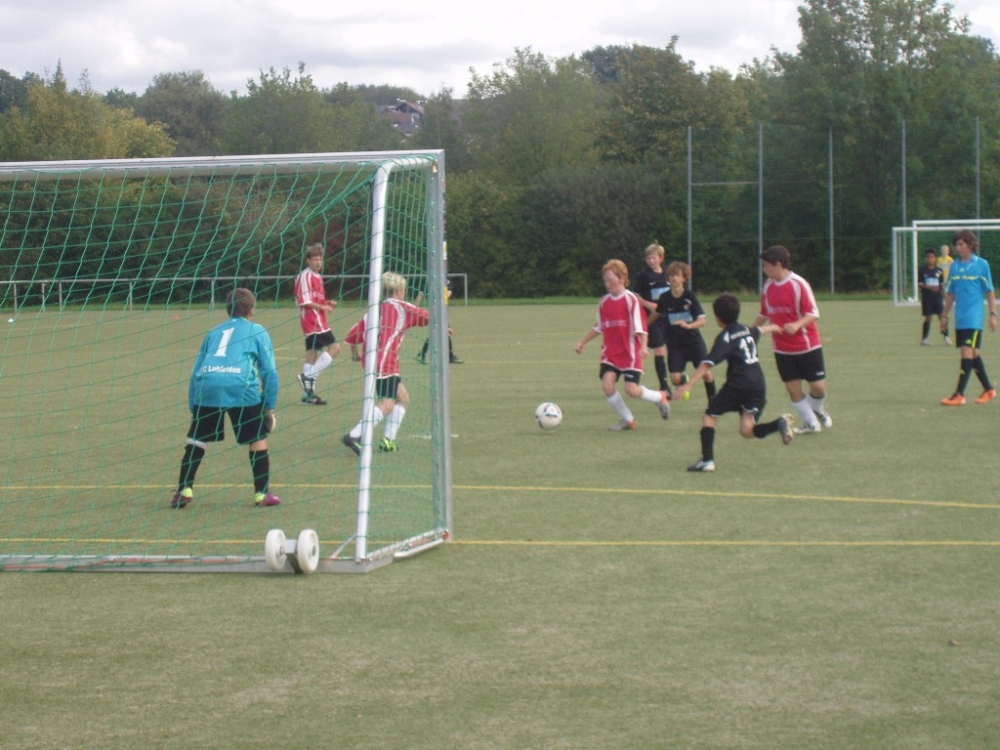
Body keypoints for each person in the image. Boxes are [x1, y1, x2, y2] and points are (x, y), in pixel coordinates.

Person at [171, 288, 280, 509]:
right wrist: (268, 406)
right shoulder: (257, 331)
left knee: (197, 438)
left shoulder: (213, 332)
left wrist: (194, 404)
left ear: (228, 309)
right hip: (241, 386)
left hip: (207, 385)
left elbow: (196, 369)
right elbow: (269, 372)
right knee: (257, 437)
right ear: (251, 309)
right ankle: (261, 493)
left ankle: (183, 489)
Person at [676, 293, 794, 472]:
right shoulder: (747, 329)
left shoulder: (725, 337)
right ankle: (779, 423)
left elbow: (707, 364)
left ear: (718, 318)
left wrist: (688, 385)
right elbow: (759, 330)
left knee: (709, 416)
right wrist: (774, 327)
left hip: (738, 384)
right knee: (747, 429)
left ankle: (707, 461)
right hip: (758, 384)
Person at [574, 259, 671, 430]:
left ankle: (659, 397)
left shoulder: (631, 300)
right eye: (605, 280)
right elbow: (600, 326)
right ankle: (627, 419)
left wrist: (642, 346)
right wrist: (582, 342)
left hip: (630, 352)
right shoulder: (604, 302)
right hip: (611, 353)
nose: (608, 283)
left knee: (631, 390)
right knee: (607, 385)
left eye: (611, 279)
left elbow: (641, 326)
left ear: (621, 278)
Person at [341, 272, 430, 455]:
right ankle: (354, 435)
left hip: (375, 361)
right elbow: (426, 315)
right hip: (384, 362)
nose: (404, 292)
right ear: (398, 291)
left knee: (403, 397)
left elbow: (352, 334)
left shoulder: (374, 310)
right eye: (404, 289)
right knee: (387, 403)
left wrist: (355, 354)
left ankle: (388, 440)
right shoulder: (400, 306)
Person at [751, 244, 831, 435]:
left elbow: (813, 313)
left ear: (778, 264)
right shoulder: (768, 286)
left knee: (818, 387)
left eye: (766, 266)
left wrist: (796, 325)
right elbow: (764, 313)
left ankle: (817, 409)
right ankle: (811, 423)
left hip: (807, 345)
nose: (764, 270)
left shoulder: (799, 284)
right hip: (782, 348)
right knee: (793, 388)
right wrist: (750, 331)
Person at [645, 260, 716, 403]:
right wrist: (643, 326)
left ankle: (713, 402)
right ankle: (683, 379)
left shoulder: (689, 297)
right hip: (674, 343)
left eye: (676, 275)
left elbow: (702, 320)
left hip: (693, 341)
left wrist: (689, 326)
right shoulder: (665, 298)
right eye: (670, 275)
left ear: (684, 278)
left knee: (706, 373)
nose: (673, 278)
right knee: (675, 379)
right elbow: (656, 313)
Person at [940, 229, 997, 405]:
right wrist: (944, 316)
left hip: (974, 318)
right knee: (973, 354)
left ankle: (959, 394)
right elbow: (950, 293)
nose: (958, 247)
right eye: (956, 244)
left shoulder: (981, 265)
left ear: (970, 245)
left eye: (961, 244)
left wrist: (993, 314)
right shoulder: (954, 266)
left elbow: (989, 291)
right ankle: (989, 389)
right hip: (960, 318)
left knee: (966, 351)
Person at [293, 243, 340, 405]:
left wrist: (327, 302)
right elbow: (304, 301)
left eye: (320, 259)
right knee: (335, 348)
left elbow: (315, 299)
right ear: (308, 261)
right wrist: (323, 307)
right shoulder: (305, 276)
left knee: (311, 356)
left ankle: (309, 396)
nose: (318, 262)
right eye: (315, 259)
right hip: (313, 320)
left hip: (316, 318)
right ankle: (309, 377)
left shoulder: (317, 277)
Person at [631, 241, 671, 393]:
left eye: (654, 258)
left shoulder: (668, 272)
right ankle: (664, 386)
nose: (651, 261)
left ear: (661, 258)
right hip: (651, 318)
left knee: (672, 349)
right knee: (659, 350)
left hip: (668, 318)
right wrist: (650, 305)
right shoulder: (643, 275)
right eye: (648, 258)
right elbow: (635, 296)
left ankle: (677, 377)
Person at [918, 247, 950, 346]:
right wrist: (930, 287)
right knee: (928, 318)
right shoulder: (922, 270)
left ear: (935, 258)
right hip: (927, 298)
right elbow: (920, 284)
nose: (929, 259)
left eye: (931, 257)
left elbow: (941, 285)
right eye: (927, 257)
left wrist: (945, 296)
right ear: (925, 259)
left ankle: (946, 337)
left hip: (937, 298)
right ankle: (924, 339)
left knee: (942, 317)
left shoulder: (939, 271)